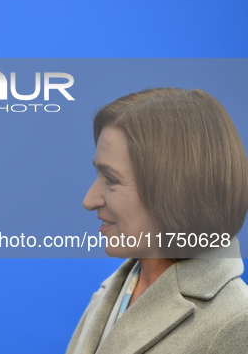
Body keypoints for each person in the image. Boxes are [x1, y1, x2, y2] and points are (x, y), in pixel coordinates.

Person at [67, 88, 248, 354]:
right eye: (99, 174)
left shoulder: (236, 323)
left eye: (112, 179)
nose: (89, 199)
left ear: (176, 189)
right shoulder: (113, 291)